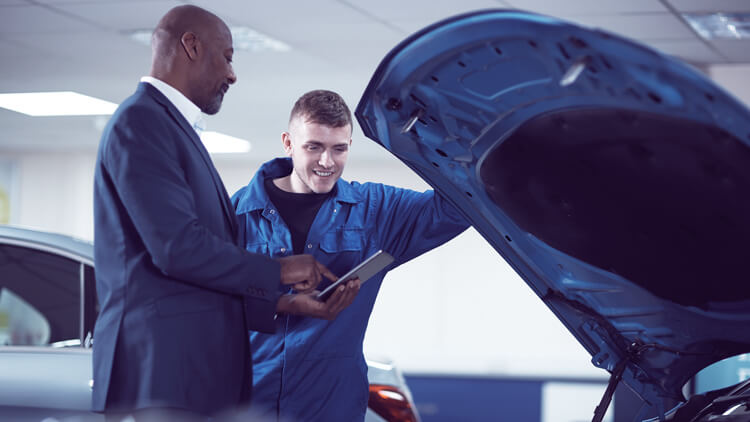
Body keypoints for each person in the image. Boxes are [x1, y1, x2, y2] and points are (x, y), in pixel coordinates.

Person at [92, 7, 359, 421]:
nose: (232, 74)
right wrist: (280, 271)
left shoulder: (174, 130)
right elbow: (177, 249)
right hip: (164, 377)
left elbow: (196, 276)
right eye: (228, 57)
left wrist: (285, 304)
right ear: (191, 45)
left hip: (189, 380)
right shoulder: (141, 122)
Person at [231, 89, 469, 421]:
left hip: (330, 407)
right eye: (313, 147)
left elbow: (458, 208)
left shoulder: (376, 211)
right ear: (288, 143)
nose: (327, 162)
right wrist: (275, 301)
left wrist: (431, 136)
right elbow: (200, 299)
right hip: (248, 405)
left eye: (338, 149)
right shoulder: (234, 213)